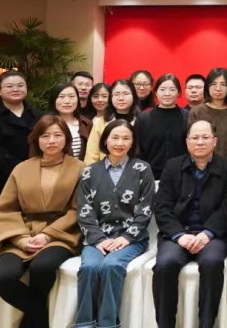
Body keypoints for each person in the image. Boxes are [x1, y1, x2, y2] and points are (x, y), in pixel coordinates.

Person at [0, 115, 84, 328]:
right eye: (45, 136)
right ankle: (40, 315)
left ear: (66, 139)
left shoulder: (80, 168)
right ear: (36, 139)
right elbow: (5, 209)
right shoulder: (21, 169)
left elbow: (78, 209)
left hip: (61, 234)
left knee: (42, 267)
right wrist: (20, 238)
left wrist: (48, 235)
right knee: (2, 278)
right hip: (22, 233)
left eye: (57, 135)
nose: (52, 141)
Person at [152, 120, 227, 328]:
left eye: (205, 137)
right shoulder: (172, 167)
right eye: (195, 138)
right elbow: (162, 207)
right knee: (165, 264)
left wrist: (207, 233)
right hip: (178, 234)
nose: (200, 142)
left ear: (215, 141)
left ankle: (206, 324)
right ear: (187, 141)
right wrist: (180, 235)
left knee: (213, 263)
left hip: (212, 235)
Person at [75, 119, 155, 328]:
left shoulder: (142, 169)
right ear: (105, 140)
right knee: (90, 267)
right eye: (115, 137)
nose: (120, 143)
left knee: (112, 265)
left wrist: (127, 237)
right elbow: (84, 211)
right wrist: (98, 239)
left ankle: (108, 324)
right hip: (97, 239)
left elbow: (145, 209)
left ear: (132, 142)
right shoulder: (89, 172)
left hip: (131, 238)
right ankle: (84, 324)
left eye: (126, 138)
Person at [0, 71, 41, 211]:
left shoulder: (36, 114)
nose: (16, 89)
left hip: (33, 174)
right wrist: (19, 168)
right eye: (9, 86)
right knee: (5, 215)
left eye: (20, 85)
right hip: (1, 176)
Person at [136, 73, 189, 179]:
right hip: (150, 175)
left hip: (181, 174)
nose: (167, 93)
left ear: (179, 93)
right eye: (162, 89)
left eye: (172, 90)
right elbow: (137, 149)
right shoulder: (144, 118)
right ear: (155, 92)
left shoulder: (187, 117)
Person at [188, 67, 227, 160]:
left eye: (223, 84)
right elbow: (191, 141)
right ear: (207, 87)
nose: (218, 88)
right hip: (200, 164)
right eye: (213, 84)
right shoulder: (196, 112)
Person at [84, 79, 139, 165]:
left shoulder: (141, 121)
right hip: (104, 170)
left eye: (126, 94)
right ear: (111, 98)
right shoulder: (100, 122)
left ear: (134, 96)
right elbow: (91, 154)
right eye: (116, 94)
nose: (121, 98)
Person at [48, 82, 92, 159]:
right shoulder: (46, 124)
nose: (67, 101)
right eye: (61, 97)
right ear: (53, 100)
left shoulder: (87, 124)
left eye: (71, 96)